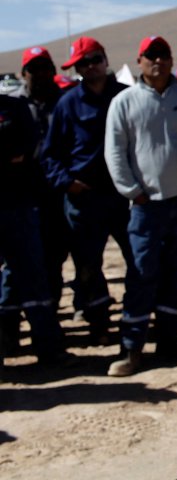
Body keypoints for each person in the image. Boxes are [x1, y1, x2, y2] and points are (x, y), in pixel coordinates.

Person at [104, 35, 177, 377]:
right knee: (141, 275)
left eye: (164, 55)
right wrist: (132, 192)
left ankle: (170, 342)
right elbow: (115, 151)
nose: (158, 61)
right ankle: (131, 348)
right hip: (146, 205)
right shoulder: (125, 101)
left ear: (171, 59)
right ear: (139, 60)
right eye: (151, 56)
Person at [40, 36, 131, 345]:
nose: (90, 67)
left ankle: (138, 319)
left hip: (125, 196)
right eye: (83, 63)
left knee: (140, 258)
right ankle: (99, 323)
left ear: (105, 60)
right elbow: (50, 154)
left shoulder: (125, 96)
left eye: (94, 59)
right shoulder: (68, 103)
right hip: (84, 198)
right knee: (88, 265)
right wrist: (67, 183)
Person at [0, 91, 74, 367]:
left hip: (18, 207)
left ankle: (48, 348)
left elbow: (27, 148)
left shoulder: (15, 108)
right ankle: (8, 342)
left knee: (33, 277)